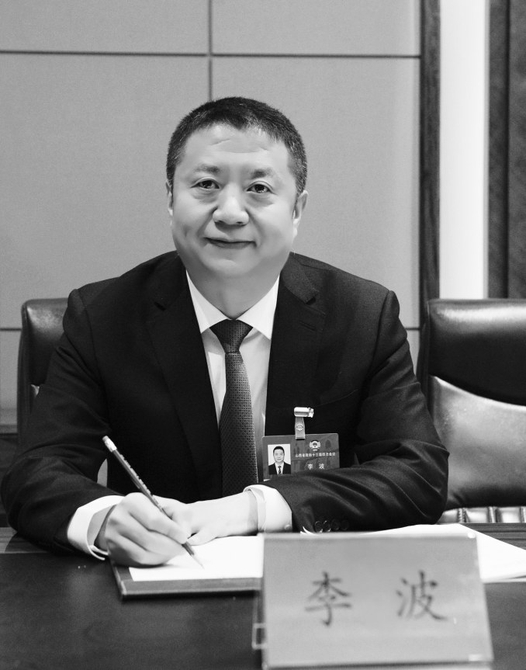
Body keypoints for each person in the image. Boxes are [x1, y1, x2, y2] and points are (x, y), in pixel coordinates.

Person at [1, 97, 448, 567]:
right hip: (160, 585)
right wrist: (103, 518)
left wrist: (255, 508)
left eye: (259, 188)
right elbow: (35, 473)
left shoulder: (360, 315)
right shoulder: (105, 318)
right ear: (170, 198)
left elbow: (417, 472)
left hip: (308, 588)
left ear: (297, 209)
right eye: (206, 185)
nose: (230, 212)